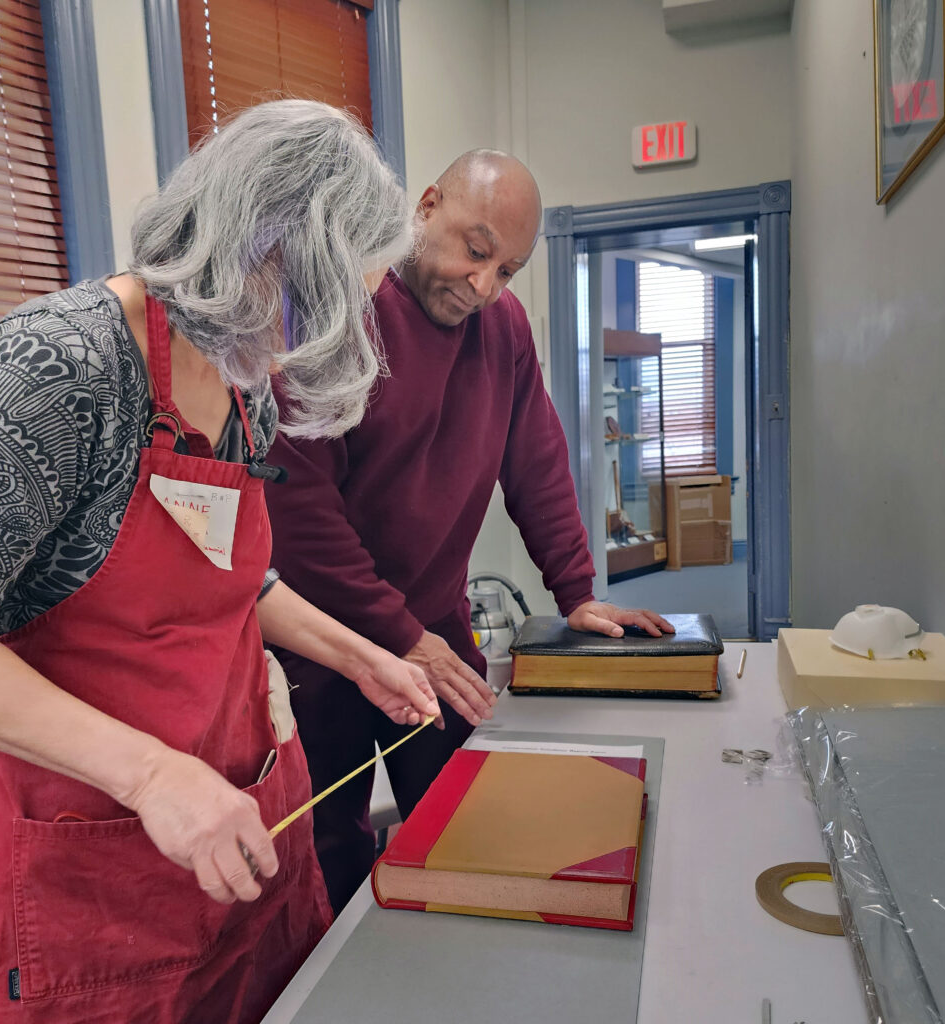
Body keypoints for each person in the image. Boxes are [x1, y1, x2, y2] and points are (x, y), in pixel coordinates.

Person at [0, 100, 440, 1024]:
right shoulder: (58, 366)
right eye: (332, 297)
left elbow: (231, 578)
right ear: (270, 253)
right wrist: (151, 776)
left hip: (242, 840)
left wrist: (356, 652)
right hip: (89, 878)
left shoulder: (240, 377)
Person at [266, 149, 673, 914]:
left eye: (508, 270)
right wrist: (393, 631)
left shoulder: (503, 329)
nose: (483, 285)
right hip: (322, 647)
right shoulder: (340, 316)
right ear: (425, 208)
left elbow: (538, 462)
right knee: (331, 849)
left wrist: (576, 592)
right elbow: (299, 516)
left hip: (437, 635)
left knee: (462, 821)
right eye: (474, 250)